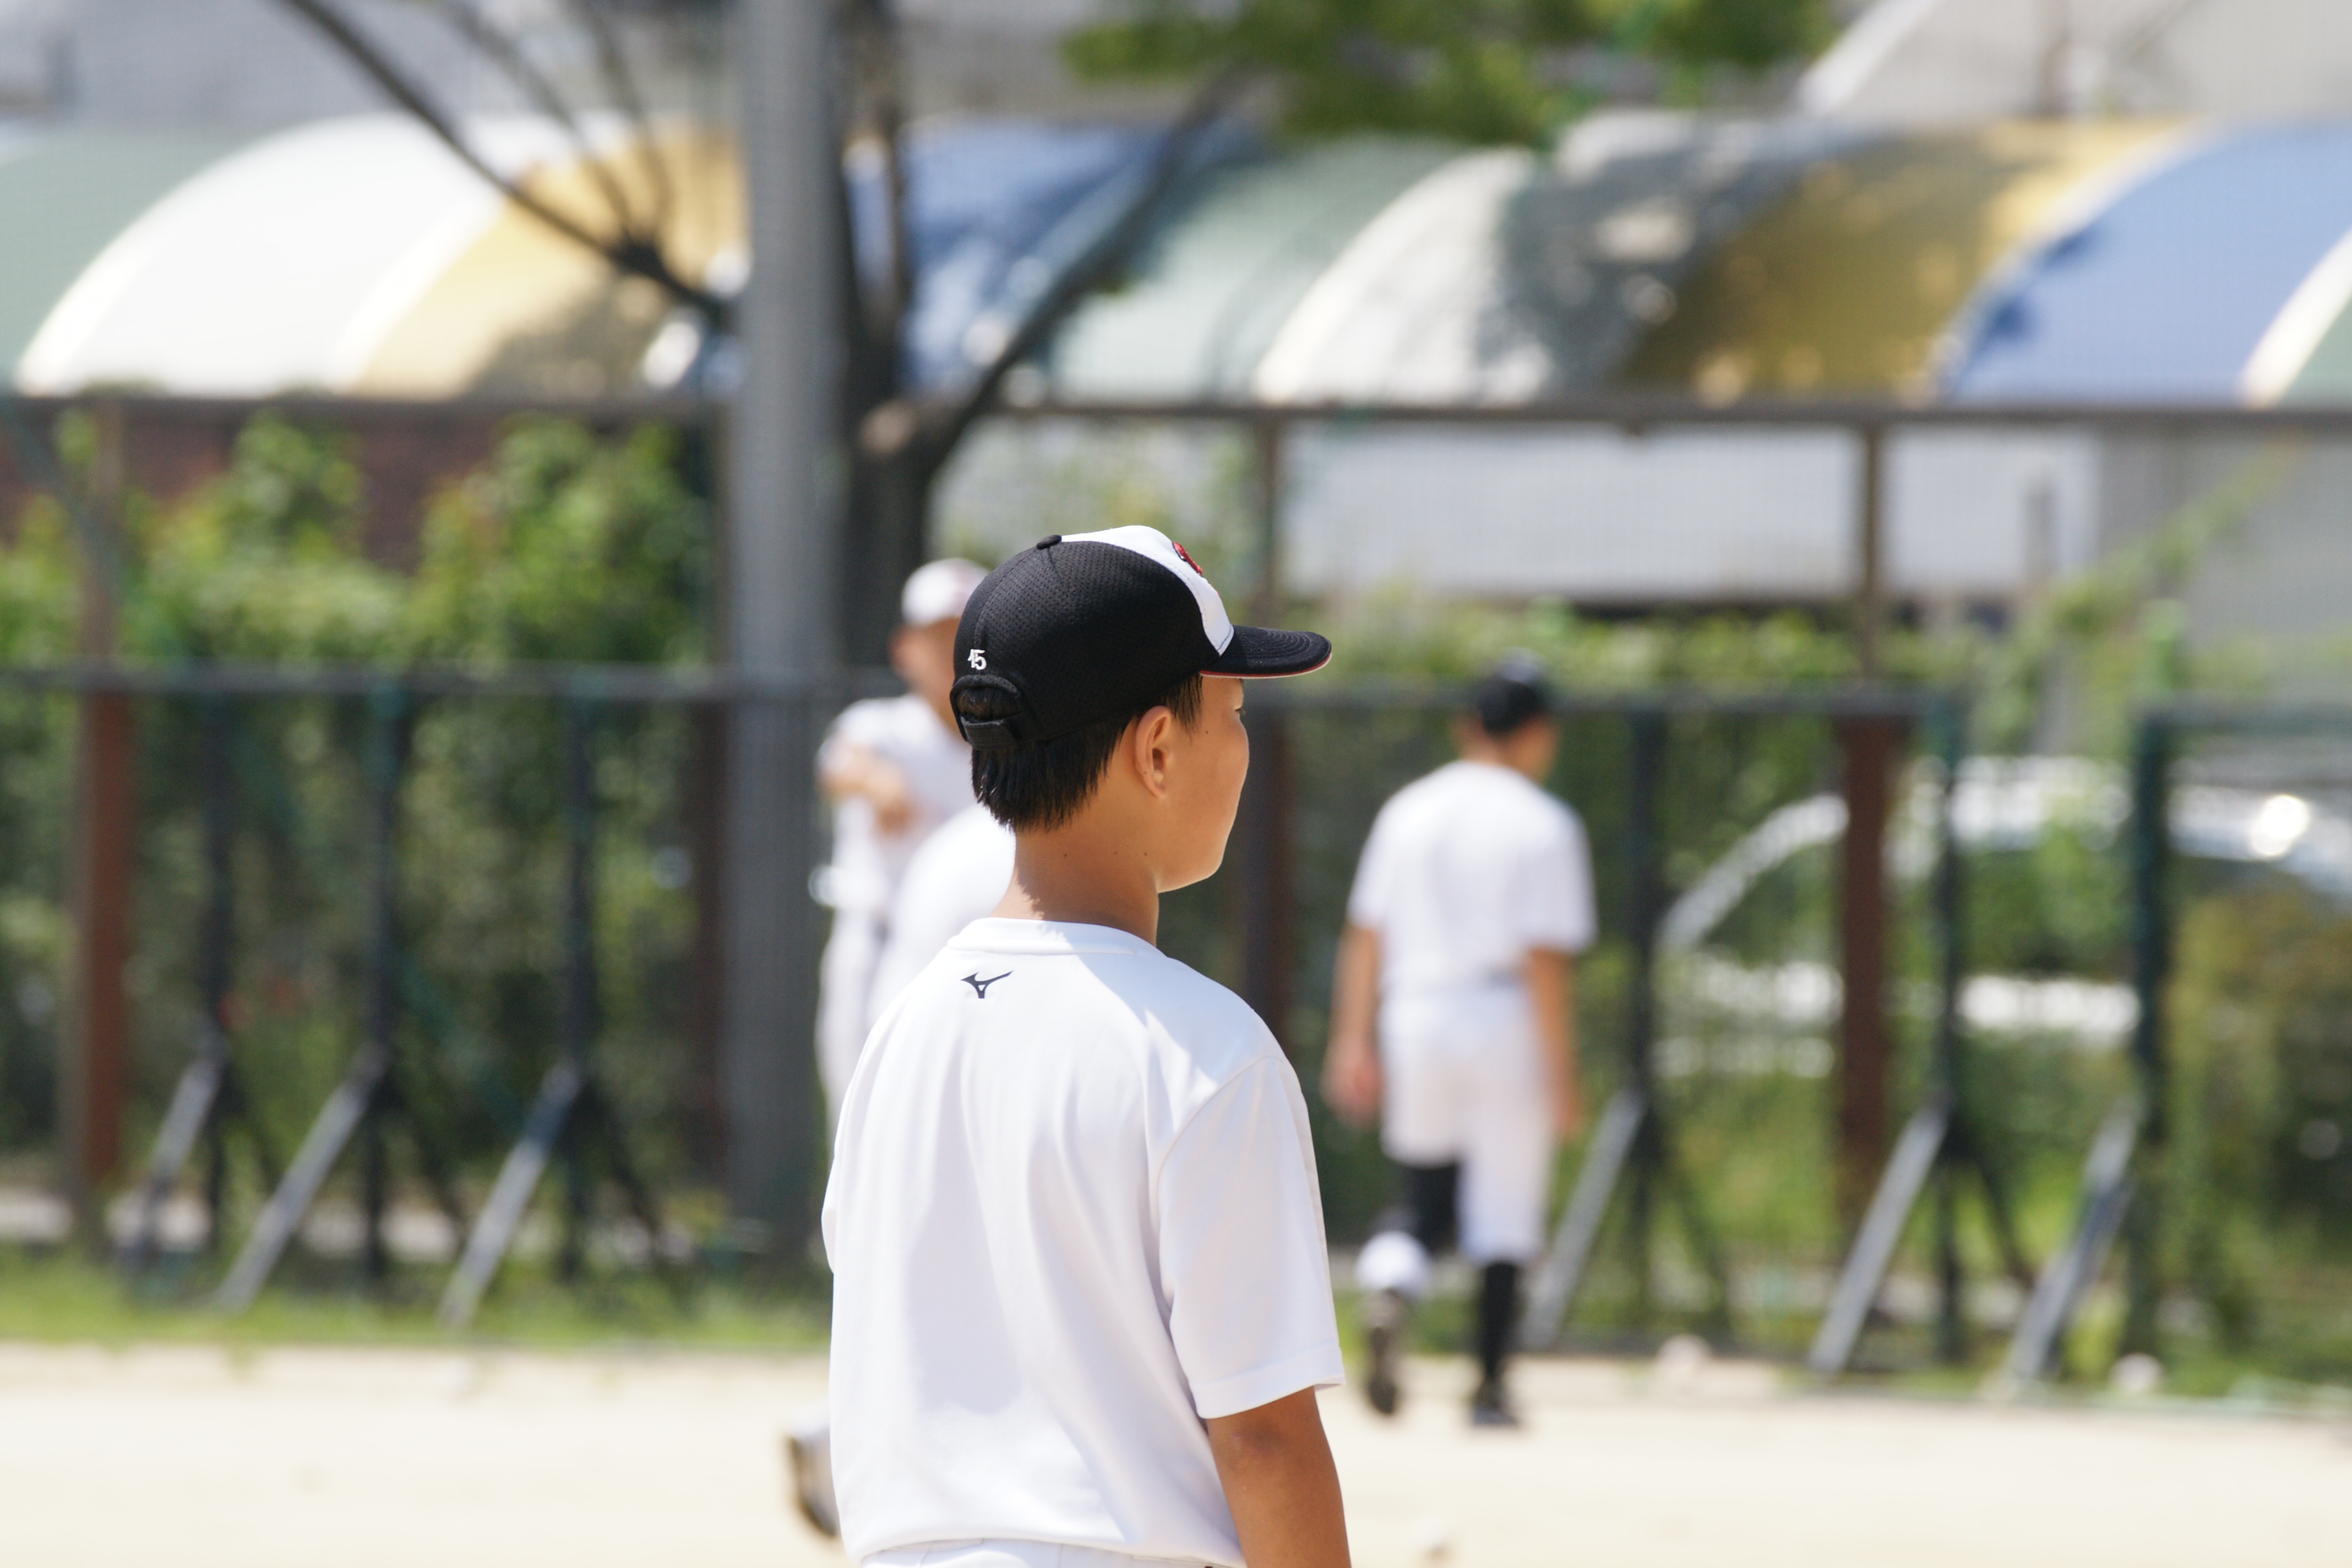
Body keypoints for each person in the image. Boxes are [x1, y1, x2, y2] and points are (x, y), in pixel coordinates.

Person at [824, 526, 1352, 1568]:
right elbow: (1263, 1434)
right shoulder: (1205, 1050)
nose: (1242, 747)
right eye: (1233, 713)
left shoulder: (902, 1032)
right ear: (1158, 749)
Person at [1320, 654, 1594, 1428]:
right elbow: (1545, 959)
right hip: (1503, 1014)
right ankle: (1489, 1387)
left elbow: (1365, 933)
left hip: (1415, 1011)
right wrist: (1563, 1073)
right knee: (1504, 1206)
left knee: (1422, 1193)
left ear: (1468, 726)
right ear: (1539, 734)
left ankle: (1392, 1285)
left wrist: (1352, 1037)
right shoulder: (1543, 823)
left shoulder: (1410, 810)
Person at [815, 557, 989, 1124]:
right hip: (880, 941)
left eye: (966, 636)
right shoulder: (882, 727)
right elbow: (839, 764)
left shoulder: (1007, 744)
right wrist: (875, 780)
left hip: (974, 962)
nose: (953, 651)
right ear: (904, 648)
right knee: (862, 1120)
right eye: (939, 636)